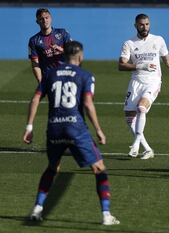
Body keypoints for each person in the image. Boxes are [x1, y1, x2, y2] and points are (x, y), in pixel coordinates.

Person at [23, 41, 120, 225]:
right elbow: (88, 104)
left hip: (54, 128)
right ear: (81, 56)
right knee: (99, 168)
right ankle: (106, 215)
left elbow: (35, 98)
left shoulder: (49, 74)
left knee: (53, 167)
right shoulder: (85, 75)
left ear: (63, 55)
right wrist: (99, 130)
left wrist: (29, 127)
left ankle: (37, 209)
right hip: (76, 129)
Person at [118, 13, 169, 159]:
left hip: (153, 81)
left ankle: (136, 144)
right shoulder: (129, 43)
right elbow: (121, 65)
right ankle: (148, 149)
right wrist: (141, 65)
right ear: (135, 25)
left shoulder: (158, 40)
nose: (145, 27)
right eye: (142, 24)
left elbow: (167, 60)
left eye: (147, 24)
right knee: (129, 118)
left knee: (141, 108)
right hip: (136, 82)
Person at [28, 8, 72, 83]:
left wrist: (61, 50)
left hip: (66, 74)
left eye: (47, 18)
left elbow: (73, 53)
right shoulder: (33, 40)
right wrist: (40, 81)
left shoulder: (63, 33)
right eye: (41, 19)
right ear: (37, 22)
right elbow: (35, 63)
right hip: (49, 78)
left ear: (51, 18)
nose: (45, 20)